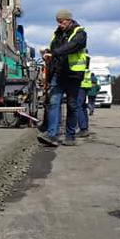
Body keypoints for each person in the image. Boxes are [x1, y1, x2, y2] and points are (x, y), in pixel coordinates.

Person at [37, 9, 88, 148]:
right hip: (58, 74)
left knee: (72, 106)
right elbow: (53, 50)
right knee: (54, 103)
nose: (60, 24)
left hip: (73, 75)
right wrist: (47, 53)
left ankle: (70, 136)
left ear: (69, 20)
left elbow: (73, 46)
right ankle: (52, 135)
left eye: (62, 21)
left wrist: (54, 53)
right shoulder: (57, 34)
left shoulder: (80, 33)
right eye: (58, 22)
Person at [75, 57, 92, 136]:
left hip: (80, 87)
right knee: (83, 107)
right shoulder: (87, 69)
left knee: (78, 106)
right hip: (85, 87)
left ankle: (83, 128)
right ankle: (85, 127)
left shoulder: (81, 67)